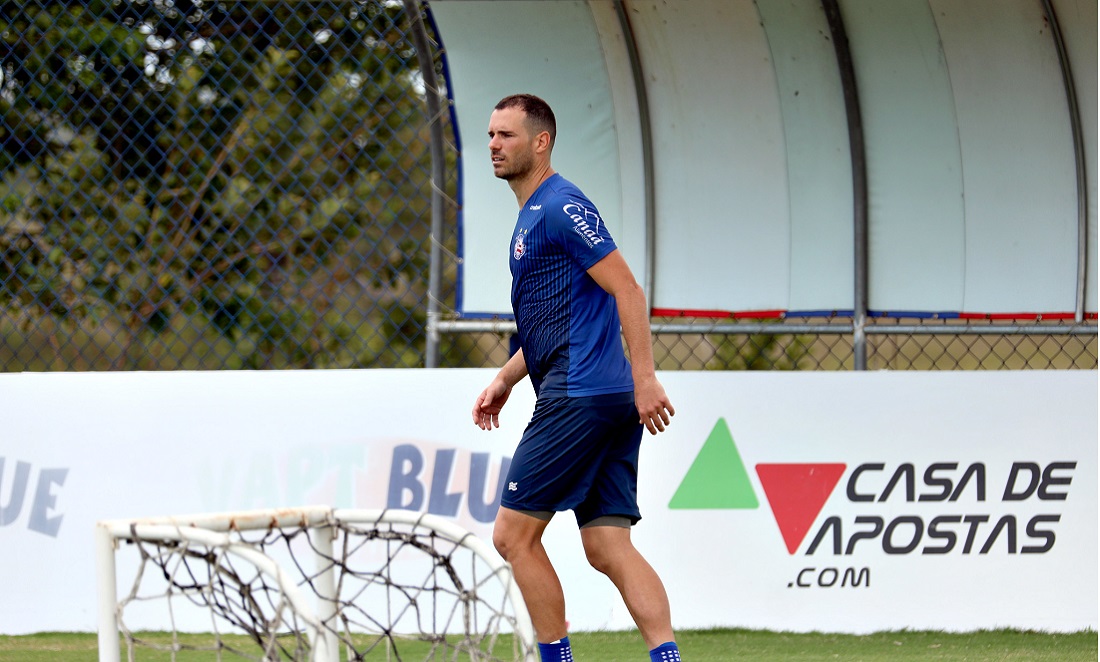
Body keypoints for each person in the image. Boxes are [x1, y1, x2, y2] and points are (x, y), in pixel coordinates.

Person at [471, 93, 681, 662]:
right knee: (608, 545)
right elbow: (558, 321)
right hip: (604, 396)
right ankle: (667, 658)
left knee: (512, 536)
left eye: (506, 135)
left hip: (580, 394)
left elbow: (627, 289)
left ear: (541, 142)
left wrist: (646, 378)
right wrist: (508, 377)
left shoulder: (561, 206)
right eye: (490, 134)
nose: (493, 145)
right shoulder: (533, 213)